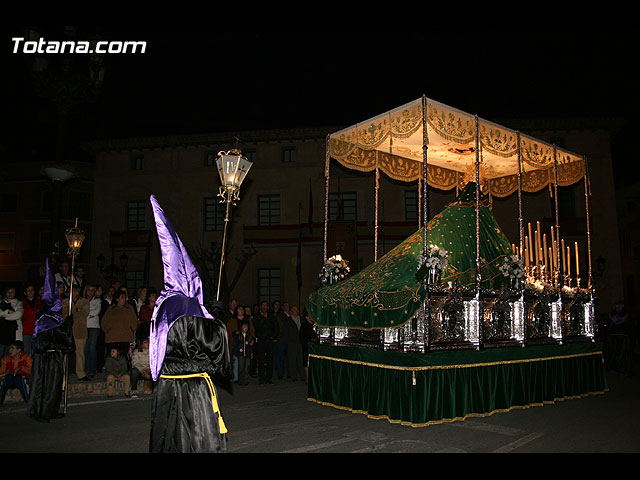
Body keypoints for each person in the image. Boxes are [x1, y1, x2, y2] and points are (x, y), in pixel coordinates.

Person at [148, 194, 233, 453]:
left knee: (170, 438)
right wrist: (217, 319)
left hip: (166, 385)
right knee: (198, 440)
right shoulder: (188, 307)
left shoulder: (162, 306)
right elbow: (212, 345)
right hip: (192, 388)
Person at [28, 257, 75, 423]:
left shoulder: (50, 315)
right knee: (45, 385)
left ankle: (51, 410)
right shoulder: (48, 316)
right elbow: (59, 334)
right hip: (47, 357)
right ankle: (42, 412)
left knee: (54, 386)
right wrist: (68, 325)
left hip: (52, 356)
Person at [63, 285, 90, 381]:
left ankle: (81, 373)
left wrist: (73, 311)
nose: (75, 294)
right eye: (73, 291)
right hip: (68, 331)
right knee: (65, 353)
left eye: (77, 291)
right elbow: (65, 314)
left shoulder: (85, 301)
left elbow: (85, 312)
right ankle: (64, 373)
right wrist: (77, 310)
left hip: (80, 330)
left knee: (80, 353)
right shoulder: (65, 302)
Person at [101, 289, 138, 356]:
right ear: (117, 299)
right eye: (122, 297)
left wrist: (132, 329)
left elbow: (134, 320)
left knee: (123, 357)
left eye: (125, 297)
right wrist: (107, 330)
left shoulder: (129, 308)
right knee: (112, 357)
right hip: (112, 337)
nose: (124, 299)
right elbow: (104, 321)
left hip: (125, 337)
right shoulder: (110, 309)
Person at [604, 300, 634, 376]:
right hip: (613, 337)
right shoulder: (612, 314)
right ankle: (613, 367)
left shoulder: (627, 314)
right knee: (613, 352)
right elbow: (609, 324)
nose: (618, 307)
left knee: (623, 353)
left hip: (624, 337)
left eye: (620, 306)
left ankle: (623, 369)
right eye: (617, 306)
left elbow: (630, 325)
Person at [253, 300, 278, 385]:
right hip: (261, 340)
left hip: (269, 340)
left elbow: (276, 326)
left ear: (268, 307)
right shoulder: (257, 316)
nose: (264, 307)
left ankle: (269, 378)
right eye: (262, 305)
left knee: (270, 359)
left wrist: (273, 336)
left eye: (266, 305)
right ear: (260, 307)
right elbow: (257, 326)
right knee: (261, 359)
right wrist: (263, 318)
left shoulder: (271, 316)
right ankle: (261, 378)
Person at [0, 340, 32, 405]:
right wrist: (6, 372)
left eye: (12, 348)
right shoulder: (6, 359)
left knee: (19, 377)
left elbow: (31, 371)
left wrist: (22, 368)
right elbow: (1, 373)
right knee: (7, 378)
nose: (10, 350)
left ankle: (28, 401)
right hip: (10, 379)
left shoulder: (26, 358)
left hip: (21, 379)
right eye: (10, 348)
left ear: (19, 350)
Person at [1, 287, 24, 358]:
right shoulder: (1, 302)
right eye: (8, 292)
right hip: (1, 332)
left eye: (12, 292)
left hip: (12, 334)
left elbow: (18, 315)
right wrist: (7, 312)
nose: (10, 294)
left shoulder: (19, 303)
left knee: (8, 356)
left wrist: (3, 316)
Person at [283, 305, 305, 381]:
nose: (296, 311)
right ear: (291, 311)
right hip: (291, 342)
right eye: (294, 310)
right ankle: (294, 376)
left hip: (300, 342)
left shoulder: (302, 319)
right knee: (292, 360)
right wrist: (288, 341)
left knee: (301, 359)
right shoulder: (288, 320)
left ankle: (303, 376)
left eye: (297, 309)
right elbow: (285, 332)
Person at [85, 284, 102, 378]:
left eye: (92, 290)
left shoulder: (97, 300)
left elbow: (96, 312)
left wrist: (87, 313)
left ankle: (92, 369)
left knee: (92, 348)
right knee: (86, 349)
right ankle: (86, 369)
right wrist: (88, 314)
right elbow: (81, 312)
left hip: (94, 327)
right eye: (89, 290)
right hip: (84, 326)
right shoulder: (83, 301)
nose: (90, 292)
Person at [299, 308, 319, 384]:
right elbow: (302, 337)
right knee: (306, 362)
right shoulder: (304, 326)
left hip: (315, 347)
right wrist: (310, 340)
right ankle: (307, 378)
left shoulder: (316, 326)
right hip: (307, 346)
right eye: (310, 316)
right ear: (307, 317)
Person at [21, 284, 42, 356]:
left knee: (36, 351)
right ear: (25, 292)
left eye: (32, 290)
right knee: (26, 350)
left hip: (37, 330)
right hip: (26, 330)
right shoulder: (21, 303)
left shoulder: (39, 302)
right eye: (28, 291)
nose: (30, 292)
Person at [272, 300, 288, 379]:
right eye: (275, 304)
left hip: (281, 337)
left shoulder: (282, 315)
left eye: (278, 304)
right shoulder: (270, 314)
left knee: (280, 356)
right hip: (272, 338)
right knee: (273, 356)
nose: (277, 306)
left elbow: (283, 326)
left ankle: (280, 373)